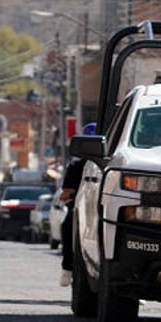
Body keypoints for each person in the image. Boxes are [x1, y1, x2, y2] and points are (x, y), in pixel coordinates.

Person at [58, 122, 96, 287]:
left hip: (103, 208)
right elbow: (66, 193)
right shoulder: (76, 165)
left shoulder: (115, 162)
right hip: (80, 207)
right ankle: (68, 268)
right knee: (68, 227)